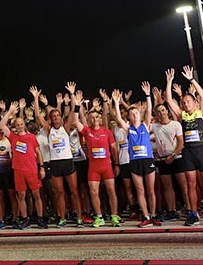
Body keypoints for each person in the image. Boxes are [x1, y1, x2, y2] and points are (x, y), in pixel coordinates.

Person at [165, 66, 203, 226]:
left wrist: (192, 79)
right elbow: (169, 100)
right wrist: (169, 81)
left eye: (188, 101)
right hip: (189, 153)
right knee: (190, 183)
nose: (186, 104)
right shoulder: (181, 115)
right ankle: (193, 213)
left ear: (195, 103)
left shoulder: (202, 113)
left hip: (202, 150)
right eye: (184, 102)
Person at [31, 85, 83, 227]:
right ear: (51, 119)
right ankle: (62, 218)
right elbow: (37, 115)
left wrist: (72, 94)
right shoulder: (48, 130)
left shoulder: (66, 128)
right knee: (59, 193)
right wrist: (36, 98)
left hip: (67, 162)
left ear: (60, 117)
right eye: (53, 117)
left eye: (57, 116)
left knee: (73, 191)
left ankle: (79, 217)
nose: (55, 118)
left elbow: (73, 111)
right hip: (55, 163)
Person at [112, 84, 161, 227]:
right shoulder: (128, 129)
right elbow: (119, 119)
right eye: (132, 114)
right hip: (135, 162)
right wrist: (116, 102)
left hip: (147, 160)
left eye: (136, 113)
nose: (134, 115)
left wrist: (147, 95)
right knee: (140, 190)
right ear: (129, 116)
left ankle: (153, 215)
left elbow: (150, 110)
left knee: (151, 190)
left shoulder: (146, 125)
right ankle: (145, 216)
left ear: (140, 114)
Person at [70, 90, 121, 227]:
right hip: (93, 168)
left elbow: (114, 148)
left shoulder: (107, 132)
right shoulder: (87, 131)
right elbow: (76, 121)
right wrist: (76, 106)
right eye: (91, 118)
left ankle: (114, 216)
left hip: (107, 166)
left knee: (111, 191)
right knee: (93, 192)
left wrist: (116, 164)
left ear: (99, 119)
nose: (93, 120)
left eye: (96, 118)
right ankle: (99, 217)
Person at [0, 102, 48, 229]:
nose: (19, 126)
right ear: (15, 126)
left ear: (24, 125)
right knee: (21, 196)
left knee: (36, 194)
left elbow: (38, 152)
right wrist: (10, 111)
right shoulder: (13, 137)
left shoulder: (31, 137)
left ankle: (40, 218)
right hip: (18, 171)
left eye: (21, 124)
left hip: (31, 169)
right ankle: (25, 219)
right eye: (17, 125)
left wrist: (41, 168)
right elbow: (2, 125)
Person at [150, 102, 188, 222]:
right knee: (167, 187)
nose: (162, 113)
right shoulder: (154, 126)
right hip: (162, 160)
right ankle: (171, 211)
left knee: (184, 186)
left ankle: (190, 210)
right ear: (156, 114)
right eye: (159, 112)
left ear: (167, 111)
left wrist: (173, 155)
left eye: (163, 110)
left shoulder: (176, 124)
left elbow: (181, 143)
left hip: (176, 158)